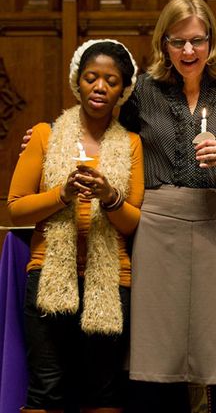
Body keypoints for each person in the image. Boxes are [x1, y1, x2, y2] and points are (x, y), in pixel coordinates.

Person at [117, 0, 216, 413]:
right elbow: (107, 141)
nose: (189, 51)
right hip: (158, 229)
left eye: (198, 41)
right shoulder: (141, 92)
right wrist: (46, 140)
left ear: (212, 41)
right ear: (162, 43)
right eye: (178, 41)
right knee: (159, 356)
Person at [8, 39, 143, 413]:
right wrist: (63, 194)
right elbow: (16, 211)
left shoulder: (132, 144)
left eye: (111, 81)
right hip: (48, 273)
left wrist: (110, 195)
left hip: (113, 281)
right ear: (77, 82)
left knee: (103, 391)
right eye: (91, 78)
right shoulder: (44, 136)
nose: (100, 87)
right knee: (47, 389)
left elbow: (134, 224)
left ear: (123, 90)